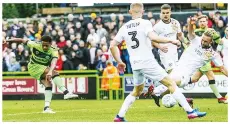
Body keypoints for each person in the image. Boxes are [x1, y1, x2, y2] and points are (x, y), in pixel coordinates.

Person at [110, 3, 206, 122]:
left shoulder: (124, 27)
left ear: (130, 12)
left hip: (135, 64)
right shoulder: (145, 23)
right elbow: (153, 38)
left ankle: (119, 116)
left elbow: (112, 45)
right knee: (171, 83)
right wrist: (171, 40)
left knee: (137, 90)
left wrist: (119, 61)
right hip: (147, 62)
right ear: (143, 11)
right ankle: (190, 112)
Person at [148, 18, 228, 105]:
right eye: (203, 39)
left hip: (187, 74)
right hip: (179, 67)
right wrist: (190, 23)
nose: (203, 42)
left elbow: (222, 68)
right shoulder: (196, 40)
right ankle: (158, 92)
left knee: (175, 83)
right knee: (175, 83)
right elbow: (190, 33)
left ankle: (156, 92)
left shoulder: (213, 54)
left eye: (206, 41)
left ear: (211, 41)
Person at [3, 36, 78, 113]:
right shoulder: (35, 44)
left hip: (42, 68)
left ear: (50, 44)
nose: (45, 47)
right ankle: (66, 93)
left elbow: (54, 62)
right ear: (41, 43)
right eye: (43, 45)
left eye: (47, 45)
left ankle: (46, 108)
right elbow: (21, 40)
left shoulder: (54, 50)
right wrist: (7, 40)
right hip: (33, 67)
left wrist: (49, 71)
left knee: (48, 84)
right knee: (54, 73)